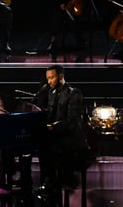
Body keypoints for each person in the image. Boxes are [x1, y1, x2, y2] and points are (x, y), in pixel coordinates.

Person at [37, 64, 89, 195]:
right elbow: (47, 113)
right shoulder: (50, 91)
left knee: (50, 149)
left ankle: (57, 182)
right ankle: (48, 182)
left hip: (70, 138)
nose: (49, 82)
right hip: (56, 135)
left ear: (61, 76)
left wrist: (53, 126)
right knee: (41, 145)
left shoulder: (74, 93)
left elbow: (72, 122)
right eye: (47, 78)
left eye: (52, 78)